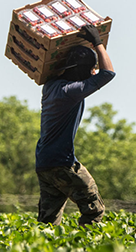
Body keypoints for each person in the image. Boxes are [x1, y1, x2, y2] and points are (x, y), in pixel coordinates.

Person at [35, 24, 115, 226]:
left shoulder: (50, 86)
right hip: (63, 162)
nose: (93, 72)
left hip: (44, 163)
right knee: (93, 209)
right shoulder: (71, 91)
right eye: (91, 69)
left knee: (48, 221)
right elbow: (108, 74)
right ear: (81, 71)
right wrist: (98, 42)